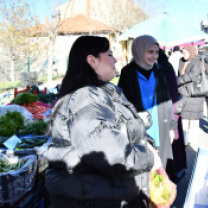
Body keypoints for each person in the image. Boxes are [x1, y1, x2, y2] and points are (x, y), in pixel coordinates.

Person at [45, 36, 160, 207]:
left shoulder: (103, 91)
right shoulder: (85, 98)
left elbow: (121, 128)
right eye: (109, 54)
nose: (115, 59)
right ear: (92, 60)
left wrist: (146, 144)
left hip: (105, 193)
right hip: (94, 198)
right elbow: (114, 155)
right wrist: (150, 158)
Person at [118, 35, 177, 181]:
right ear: (139, 50)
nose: (154, 56)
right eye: (150, 52)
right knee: (143, 171)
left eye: (156, 52)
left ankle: (160, 200)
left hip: (160, 127)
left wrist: (171, 127)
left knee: (161, 168)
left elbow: (167, 99)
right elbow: (121, 103)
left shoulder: (159, 70)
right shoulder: (127, 72)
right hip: (140, 129)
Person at [157, 49, 187, 182]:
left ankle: (173, 171)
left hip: (169, 108)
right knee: (175, 140)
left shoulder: (162, 68)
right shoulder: (167, 66)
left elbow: (167, 91)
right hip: (173, 108)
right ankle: (177, 168)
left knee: (172, 142)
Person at [178, 45, 204, 145]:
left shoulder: (197, 62)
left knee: (193, 120)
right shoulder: (183, 62)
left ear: (190, 51)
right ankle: (184, 140)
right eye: (183, 53)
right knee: (184, 118)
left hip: (194, 95)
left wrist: (178, 80)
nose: (183, 54)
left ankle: (191, 141)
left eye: (185, 52)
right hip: (185, 94)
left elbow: (193, 75)